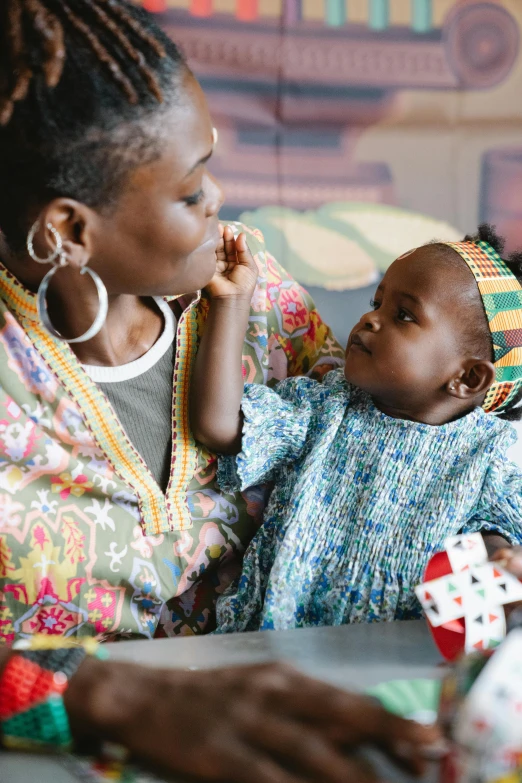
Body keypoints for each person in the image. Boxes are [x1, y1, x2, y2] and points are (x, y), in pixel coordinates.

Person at [0, 1, 440, 779]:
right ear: (69, 229)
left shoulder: (257, 299)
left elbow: (393, 462)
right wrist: (116, 698)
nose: (219, 201)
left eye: (210, 164)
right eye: (190, 188)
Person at [191, 224, 522, 633]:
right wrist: (232, 302)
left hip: (390, 668)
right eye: (376, 302)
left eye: (403, 315)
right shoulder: (325, 406)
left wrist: (501, 562)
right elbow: (217, 426)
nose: (369, 320)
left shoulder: (492, 457)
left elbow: (496, 543)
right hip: (269, 652)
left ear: (468, 378)